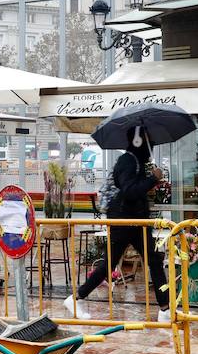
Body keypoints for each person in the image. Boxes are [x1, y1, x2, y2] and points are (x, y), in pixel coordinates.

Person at [63, 126, 171, 323]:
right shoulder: (127, 161)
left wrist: (150, 181)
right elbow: (129, 190)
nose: (151, 146)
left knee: (153, 260)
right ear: (138, 141)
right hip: (124, 221)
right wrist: (152, 180)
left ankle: (165, 310)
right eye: (148, 141)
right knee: (111, 264)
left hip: (135, 221)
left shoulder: (136, 161)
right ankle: (76, 297)